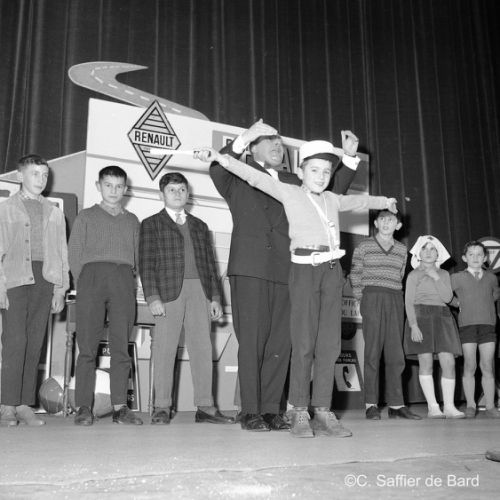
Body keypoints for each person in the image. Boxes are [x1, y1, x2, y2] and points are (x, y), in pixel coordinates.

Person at [196, 139, 392, 438]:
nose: (321, 176)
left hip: (331, 271)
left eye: (326, 171)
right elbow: (254, 177)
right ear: (301, 172)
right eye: (314, 170)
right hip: (299, 268)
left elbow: (358, 202)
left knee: (329, 345)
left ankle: (322, 410)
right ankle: (297, 409)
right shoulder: (288, 190)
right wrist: (221, 158)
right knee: (301, 343)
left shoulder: (331, 198)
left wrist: (385, 201)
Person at [139, 172, 234, 425]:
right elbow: (146, 264)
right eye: (172, 190)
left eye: (182, 189)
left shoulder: (200, 225)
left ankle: (205, 406)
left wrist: (215, 297)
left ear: (188, 193)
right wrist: (152, 296)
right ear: (162, 194)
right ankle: (161, 407)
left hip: (200, 292)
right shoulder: (151, 224)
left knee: (202, 348)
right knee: (164, 348)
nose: (178, 194)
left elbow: (210, 265)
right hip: (168, 293)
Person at [68, 165, 142, 426]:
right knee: (87, 347)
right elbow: (74, 253)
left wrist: (127, 278)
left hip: (123, 281)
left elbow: (137, 256)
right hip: (91, 280)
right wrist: (86, 281)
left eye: (119, 186)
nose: (114, 191)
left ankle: (120, 407)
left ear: (125, 189)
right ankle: (83, 407)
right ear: (98, 186)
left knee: (121, 346)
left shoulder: (132, 220)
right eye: (108, 185)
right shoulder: (86, 216)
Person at [0, 154, 69, 426]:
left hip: (44, 280)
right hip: (15, 280)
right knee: (15, 341)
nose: (41, 179)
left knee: (34, 342)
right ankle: (7, 405)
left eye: (45, 175)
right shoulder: (6, 209)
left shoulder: (55, 212)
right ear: (20, 176)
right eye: (34, 174)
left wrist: (60, 290)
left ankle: (24, 404)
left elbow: (62, 255)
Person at [350, 210, 421, 421]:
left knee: (395, 353)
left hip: (394, 298)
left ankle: (396, 404)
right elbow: (355, 273)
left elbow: (400, 275)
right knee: (372, 352)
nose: (386, 223)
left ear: (398, 225)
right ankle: (371, 404)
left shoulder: (402, 249)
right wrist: (361, 298)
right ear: (376, 223)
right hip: (371, 297)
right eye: (382, 219)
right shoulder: (364, 246)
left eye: (391, 220)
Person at [404, 235, 464, 419]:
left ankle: (449, 406)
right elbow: (408, 302)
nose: (428, 252)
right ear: (418, 253)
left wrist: (436, 277)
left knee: (449, 362)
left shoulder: (444, 274)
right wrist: (413, 325)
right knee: (426, 363)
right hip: (421, 318)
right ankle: (433, 407)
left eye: (432, 249)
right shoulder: (413, 275)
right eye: (424, 248)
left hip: (443, 319)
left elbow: (447, 298)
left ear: (438, 253)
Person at [450, 241, 500, 418]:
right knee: (470, 365)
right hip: (467, 326)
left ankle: (491, 405)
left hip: (487, 326)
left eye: (479, 254)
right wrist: (457, 303)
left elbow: (495, 294)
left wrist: (485, 307)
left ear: (485, 258)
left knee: (487, 366)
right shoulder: (456, 277)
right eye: (471, 254)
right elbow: (446, 295)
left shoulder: (491, 278)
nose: (475, 258)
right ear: (464, 258)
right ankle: (471, 405)